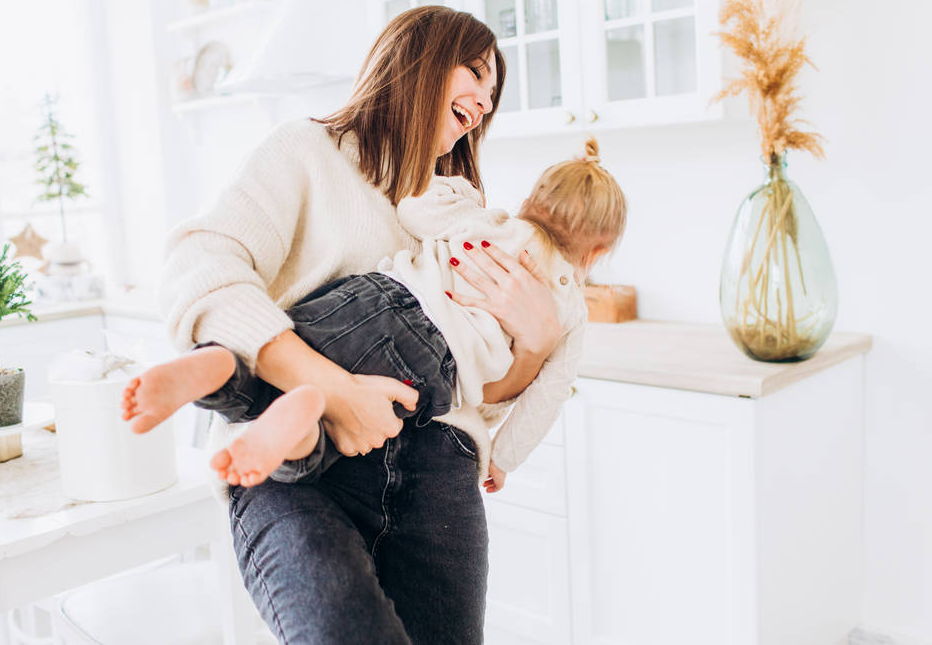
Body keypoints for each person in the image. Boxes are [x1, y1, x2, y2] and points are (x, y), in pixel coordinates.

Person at [152, 6, 567, 644]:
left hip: (438, 461)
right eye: (476, 76)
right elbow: (198, 262)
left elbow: (471, 378)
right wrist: (332, 389)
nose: (483, 104)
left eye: (492, 98)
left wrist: (538, 341)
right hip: (299, 467)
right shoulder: (306, 151)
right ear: (420, 60)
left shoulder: (460, 209)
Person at [123, 138, 627, 497]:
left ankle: (217, 365)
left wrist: (461, 196)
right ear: (598, 252)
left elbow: (413, 212)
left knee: (288, 349)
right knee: (327, 440)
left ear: (531, 200)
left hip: (375, 294)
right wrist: (501, 456)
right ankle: (298, 433)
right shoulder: (570, 310)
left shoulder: (487, 223)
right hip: (427, 361)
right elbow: (547, 396)